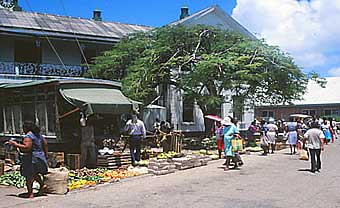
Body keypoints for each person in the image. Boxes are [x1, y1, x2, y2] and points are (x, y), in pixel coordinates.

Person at [9, 121, 48, 198]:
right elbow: (45, 144)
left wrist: (15, 144)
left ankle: (30, 193)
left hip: (31, 158)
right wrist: (45, 154)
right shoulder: (38, 135)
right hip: (40, 156)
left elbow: (27, 147)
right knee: (35, 173)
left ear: (26, 128)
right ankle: (42, 185)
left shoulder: (28, 136)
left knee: (29, 175)